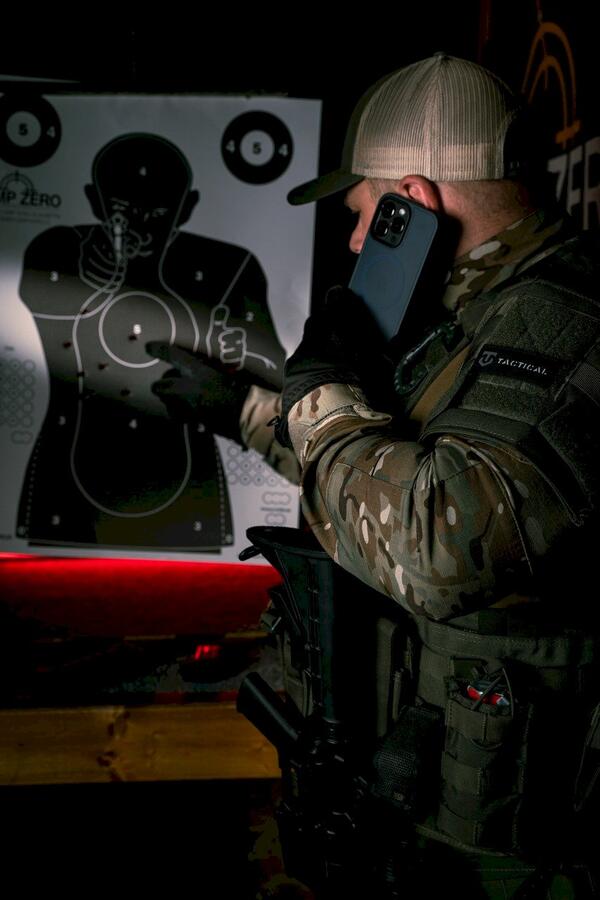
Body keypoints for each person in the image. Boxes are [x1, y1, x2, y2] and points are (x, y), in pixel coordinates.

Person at [264, 53, 600, 898]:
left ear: (409, 203)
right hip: (445, 788)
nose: (354, 241)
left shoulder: (561, 319)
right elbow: (380, 470)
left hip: (527, 848)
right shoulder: (477, 312)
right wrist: (246, 408)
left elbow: (433, 547)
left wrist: (321, 393)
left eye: (361, 215)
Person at [17, 132, 287, 550]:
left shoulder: (229, 267)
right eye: (124, 211)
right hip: (71, 475)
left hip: (184, 480)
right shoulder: (59, 250)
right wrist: (85, 280)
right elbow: (38, 291)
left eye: (157, 212)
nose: (139, 226)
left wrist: (240, 361)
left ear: (186, 207)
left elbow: (275, 374)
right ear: (94, 201)